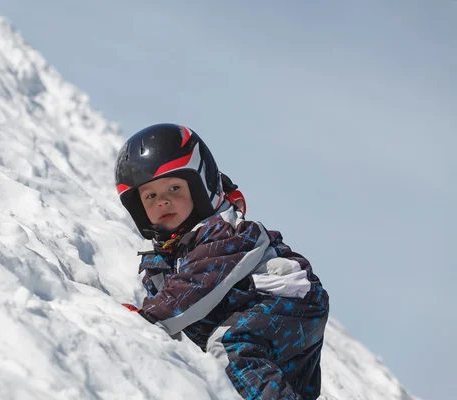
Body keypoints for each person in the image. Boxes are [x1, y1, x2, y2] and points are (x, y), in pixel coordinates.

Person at [115, 123, 329, 400]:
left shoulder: (221, 233)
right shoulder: (163, 255)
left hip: (287, 302)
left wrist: (145, 318)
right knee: (275, 379)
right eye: (151, 195)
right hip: (251, 309)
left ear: (201, 187)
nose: (163, 202)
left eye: (174, 188)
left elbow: (192, 287)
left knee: (230, 347)